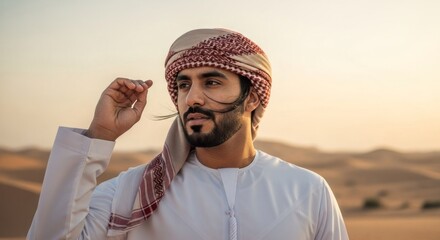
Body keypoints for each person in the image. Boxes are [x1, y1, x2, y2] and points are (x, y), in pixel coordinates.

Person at [27, 28, 349, 240]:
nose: (192, 98)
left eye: (211, 82)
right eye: (184, 85)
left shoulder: (307, 190)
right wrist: (100, 135)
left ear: (252, 97)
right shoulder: (132, 191)